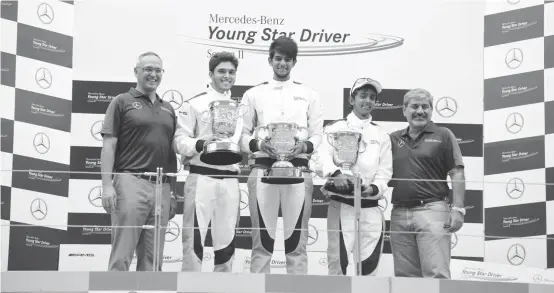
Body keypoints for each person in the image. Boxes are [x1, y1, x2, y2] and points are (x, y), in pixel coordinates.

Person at [239, 36, 324, 275]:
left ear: (294, 62)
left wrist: (304, 147)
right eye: (278, 59)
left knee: (296, 246)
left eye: (287, 59)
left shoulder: (309, 94)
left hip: (298, 171)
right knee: (261, 244)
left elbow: (318, 135)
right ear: (270, 60)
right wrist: (259, 144)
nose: (282, 64)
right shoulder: (253, 94)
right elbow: (242, 135)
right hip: (262, 170)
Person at [100, 51, 178, 271]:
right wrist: (107, 186)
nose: (153, 74)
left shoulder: (168, 108)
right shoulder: (121, 102)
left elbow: (171, 153)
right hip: (129, 181)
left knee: (153, 261)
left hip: (162, 186)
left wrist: (172, 192)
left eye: (157, 70)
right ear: (136, 72)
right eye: (148, 69)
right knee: (122, 254)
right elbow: (109, 145)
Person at [173, 51, 242, 272]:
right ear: (211, 73)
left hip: (231, 179)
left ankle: (223, 286)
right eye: (221, 71)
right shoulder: (194, 104)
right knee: (194, 239)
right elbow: (179, 141)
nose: (227, 76)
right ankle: (190, 286)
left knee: (227, 239)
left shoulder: (240, 109)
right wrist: (202, 143)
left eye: (231, 72)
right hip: (201, 176)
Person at [318, 78, 392, 276]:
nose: (368, 100)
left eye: (372, 97)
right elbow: (319, 159)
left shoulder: (381, 134)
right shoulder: (334, 129)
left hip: (370, 208)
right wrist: (336, 174)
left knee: (368, 269)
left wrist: (374, 189)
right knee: (338, 266)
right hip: (341, 206)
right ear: (352, 99)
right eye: (363, 96)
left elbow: (385, 172)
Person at [388, 88, 465, 279]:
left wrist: (458, 209)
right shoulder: (393, 138)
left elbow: (457, 173)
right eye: (414, 106)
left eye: (425, 106)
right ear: (404, 110)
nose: (420, 111)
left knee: (437, 274)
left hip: (433, 209)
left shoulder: (444, 135)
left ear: (432, 110)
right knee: (405, 278)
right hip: (399, 213)